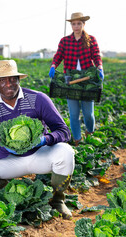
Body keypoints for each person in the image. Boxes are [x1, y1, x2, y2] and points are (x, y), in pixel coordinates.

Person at [0, 60, 75, 219]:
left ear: (19, 79)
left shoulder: (38, 99)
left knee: (66, 152)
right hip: (11, 160)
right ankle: (11, 190)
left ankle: (58, 200)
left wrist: (45, 140)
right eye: (3, 80)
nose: (9, 84)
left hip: (40, 154)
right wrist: (6, 148)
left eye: (12, 79)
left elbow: (64, 132)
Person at [49, 12, 104, 146]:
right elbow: (58, 55)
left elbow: (96, 55)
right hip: (70, 79)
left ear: (83, 24)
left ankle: (90, 133)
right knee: (73, 114)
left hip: (87, 79)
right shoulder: (65, 41)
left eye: (79, 23)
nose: (76, 26)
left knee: (88, 114)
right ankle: (77, 140)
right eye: (74, 24)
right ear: (71, 25)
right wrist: (53, 65)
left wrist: (100, 67)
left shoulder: (91, 39)